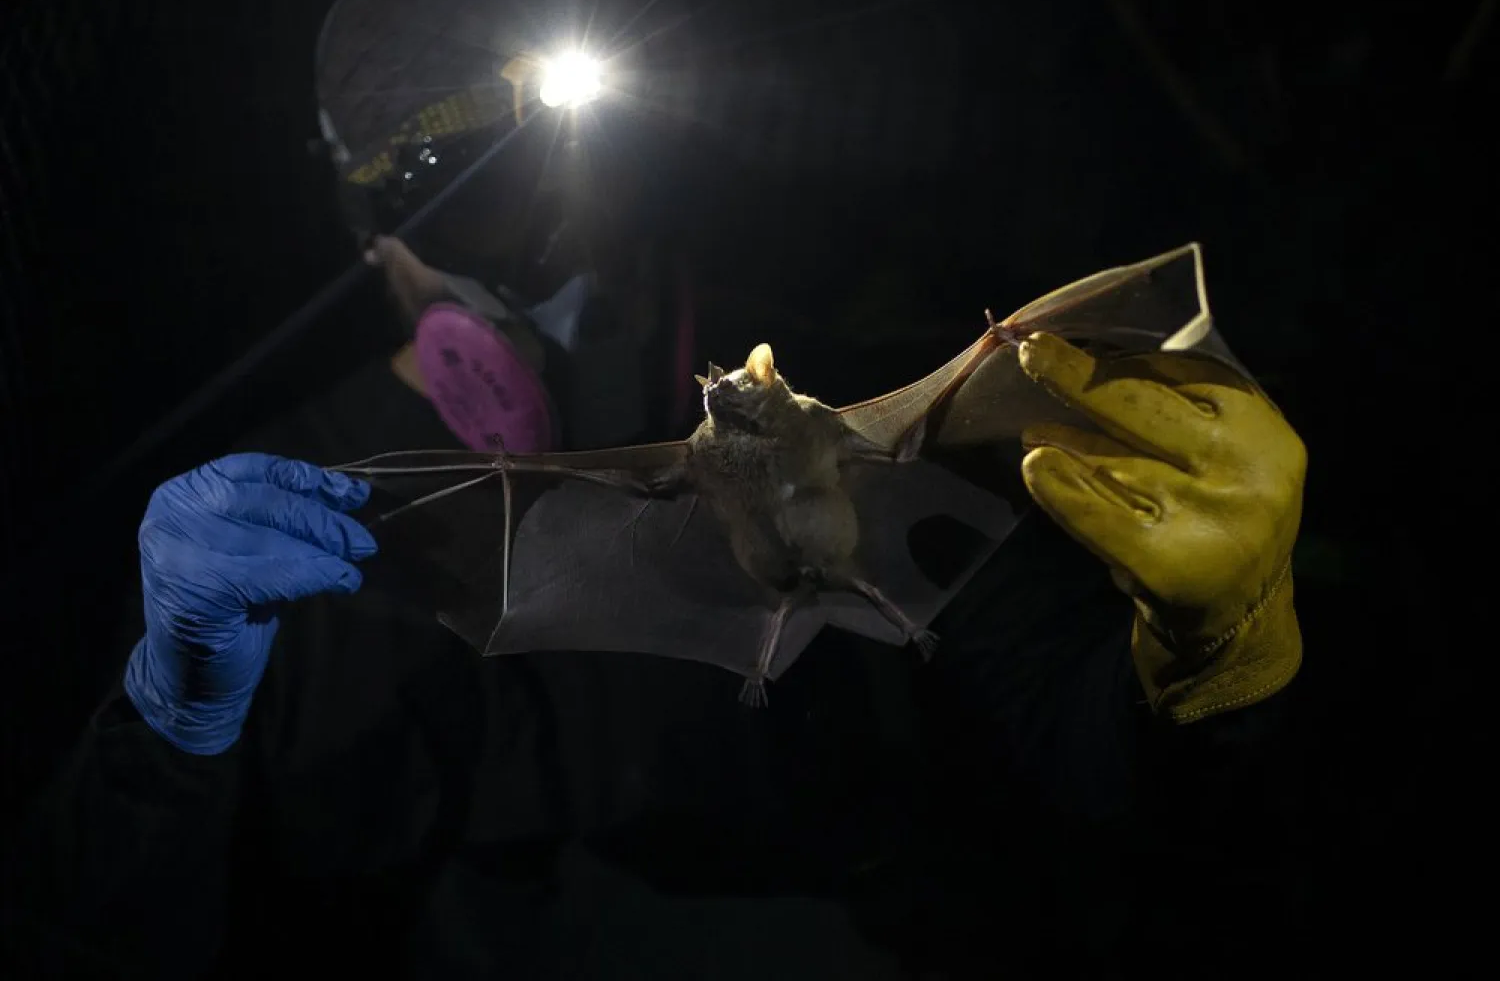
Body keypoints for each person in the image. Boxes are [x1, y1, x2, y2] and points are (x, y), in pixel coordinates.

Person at [1, 293, 1308, 978]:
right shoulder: (277, 518)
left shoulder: (816, 372)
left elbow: (1073, 752)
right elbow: (101, 944)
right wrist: (167, 725)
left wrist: (1205, 675)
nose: (546, 231)